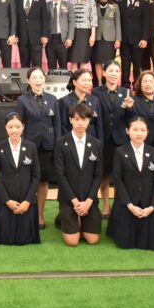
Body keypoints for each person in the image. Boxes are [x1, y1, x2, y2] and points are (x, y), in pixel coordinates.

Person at [107, 116, 154, 250]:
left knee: (151, 243)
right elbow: (118, 180)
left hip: (148, 204)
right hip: (127, 203)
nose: (139, 133)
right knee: (125, 243)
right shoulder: (120, 152)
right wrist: (130, 205)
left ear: (147, 132)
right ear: (127, 131)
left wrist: (153, 206)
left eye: (143, 130)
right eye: (135, 129)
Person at [16, 66, 60, 229]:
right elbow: (19, 124)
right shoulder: (22, 100)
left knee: (43, 181)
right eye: (34, 78)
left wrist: (57, 144)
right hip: (29, 146)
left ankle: (40, 214)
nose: (38, 80)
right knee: (28, 181)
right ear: (28, 81)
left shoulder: (52, 99)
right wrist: (21, 145)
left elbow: (57, 124)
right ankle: (26, 213)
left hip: (47, 146)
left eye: (40, 77)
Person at [54, 103, 103, 246]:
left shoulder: (96, 144)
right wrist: (75, 202)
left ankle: (79, 219)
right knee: (73, 241)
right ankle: (64, 217)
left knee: (92, 240)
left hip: (89, 199)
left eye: (84, 119)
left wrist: (88, 201)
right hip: (69, 199)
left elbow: (98, 175)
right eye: (76, 119)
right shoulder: (61, 143)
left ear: (89, 120)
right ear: (70, 120)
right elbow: (60, 174)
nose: (80, 123)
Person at [0, 112, 41, 245]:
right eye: (10, 127)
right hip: (6, 200)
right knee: (6, 238)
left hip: (26, 199)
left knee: (25, 239)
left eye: (18, 127)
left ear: (23, 127)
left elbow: (36, 176)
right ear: (6, 128)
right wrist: (7, 201)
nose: (14, 130)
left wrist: (27, 201)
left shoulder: (31, 147)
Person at [92, 60, 132, 217]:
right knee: (104, 175)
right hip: (103, 139)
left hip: (121, 140)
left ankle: (119, 206)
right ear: (104, 73)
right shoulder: (96, 92)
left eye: (117, 71)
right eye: (111, 71)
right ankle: (105, 206)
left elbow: (131, 118)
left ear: (120, 74)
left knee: (120, 175)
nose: (114, 74)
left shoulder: (126, 92)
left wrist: (130, 108)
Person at [118, 0, 149, 88]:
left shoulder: (143, 3)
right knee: (125, 64)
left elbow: (146, 22)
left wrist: (144, 38)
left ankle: (137, 84)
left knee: (137, 64)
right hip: (124, 39)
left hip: (138, 39)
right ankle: (125, 84)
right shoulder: (120, 3)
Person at [59, 68, 103, 140]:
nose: (88, 83)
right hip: (72, 141)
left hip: (91, 141)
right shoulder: (64, 101)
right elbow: (63, 127)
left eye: (89, 80)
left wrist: (99, 143)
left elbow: (99, 126)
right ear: (74, 82)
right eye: (84, 80)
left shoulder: (95, 100)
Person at [16, 0, 49, 69]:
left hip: (37, 37)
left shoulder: (41, 0)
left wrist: (44, 35)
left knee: (37, 64)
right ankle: (25, 79)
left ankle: (37, 78)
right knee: (24, 64)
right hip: (22, 37)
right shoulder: (17, 0)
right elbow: (15, 19)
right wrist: (15, 35)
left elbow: (45, 19)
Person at [92, 0, 121, 85]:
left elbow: (118, 24)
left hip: (110, 39)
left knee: (109, 63)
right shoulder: (94, 6)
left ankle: (109, 84)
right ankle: (100, 84)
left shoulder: (115, 6)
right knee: (98, 62)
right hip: (97, 38)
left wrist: (118, 39)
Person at [68, 0, 97, 69]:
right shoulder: (69, 1)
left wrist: (93, 35)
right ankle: (74, 78)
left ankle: (83, 78)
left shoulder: (91, 1)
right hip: (73, 33)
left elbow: (93, 18)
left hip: (86, 32)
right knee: (74, 60)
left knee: (84, 60)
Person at [46, 0, 74, 71]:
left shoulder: (68, 5)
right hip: (49, 40)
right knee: (51, 66)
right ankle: (51, 80)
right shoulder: (46, 5)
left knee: (63, 65)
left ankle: (64, 80)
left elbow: (71, 22)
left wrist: (70, 38)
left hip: (63, 39)